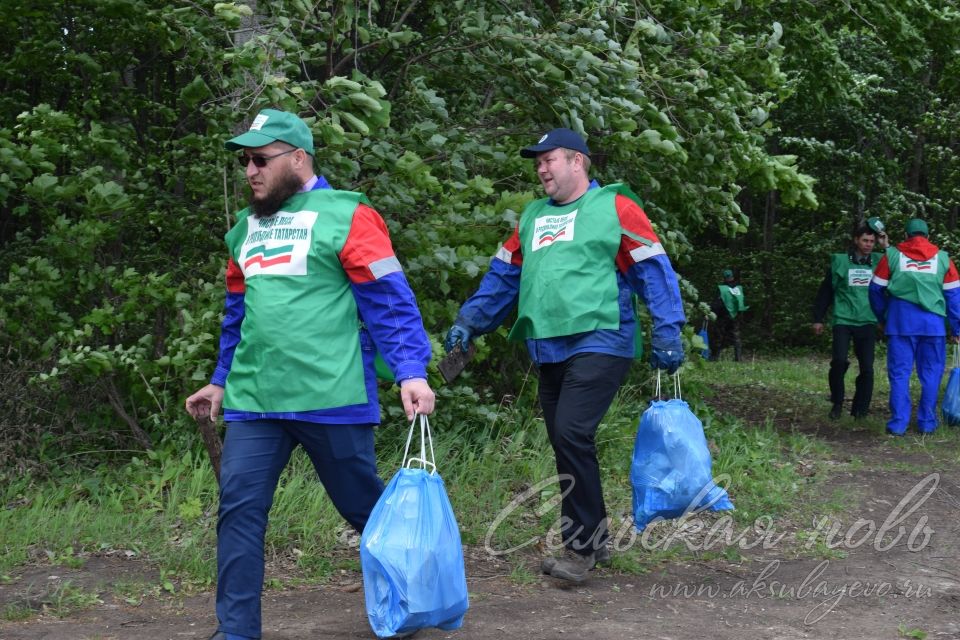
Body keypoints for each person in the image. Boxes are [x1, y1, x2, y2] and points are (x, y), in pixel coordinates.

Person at [184, 109, 435, 640]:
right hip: (256, 400)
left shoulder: (348, 215)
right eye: (244, 160)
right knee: (240, 511)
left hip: (332, 395)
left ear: (298, 159)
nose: (249, 170)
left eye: (260, 159)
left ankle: (417, 599)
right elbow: (238, 314)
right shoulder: (243, 231)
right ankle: (235, 632)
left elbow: (389, 301)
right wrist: (220, 378)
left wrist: (411, 371)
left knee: (364, 507)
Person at [443, 128, 686, 583]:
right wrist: (469, 322)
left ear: (578, 161)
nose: (540, 168)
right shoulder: (532, 216)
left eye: (548, 159)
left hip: (601, 338)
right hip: (549, 344)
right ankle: (594, 539)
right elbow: (502, 278)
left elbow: (653, 268)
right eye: (537, 161)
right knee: (563, 437)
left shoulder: (615, 207)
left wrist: (668, 330)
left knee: (572, 431)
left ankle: (580, 552)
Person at [869, 218, 960, 435]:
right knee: (931, 373)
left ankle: (898, 423)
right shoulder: (944, 259)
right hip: (933, 326)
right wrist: (957, 328)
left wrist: (883, 318)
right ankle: (927, 422)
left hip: (900, 323)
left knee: (900, 374)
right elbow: (954, 297)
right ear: (928, 236)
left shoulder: (891, 256)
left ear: (907, 236)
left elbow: (874, 290)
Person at [812, 223, 882, 419]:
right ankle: (837, 402)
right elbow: (826, 291)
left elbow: (897, 268)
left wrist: (886, 245)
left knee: (867, 368)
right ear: (856, 240)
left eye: (872, 241)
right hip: (843, 320)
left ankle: (860, 410)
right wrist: (818, 318)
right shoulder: (840, 262)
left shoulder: (880, 261)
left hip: (867, 321)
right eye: (865, 240)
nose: (869, 245)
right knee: (839, 362)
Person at [708, 269, 747, 361]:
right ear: (732, 277)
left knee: (718, 336)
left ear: (724, 278)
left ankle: (714, 357)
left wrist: (711, 312)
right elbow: (741, 303)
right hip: (735, 317)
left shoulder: (722, 289)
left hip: (723, 316)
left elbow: (717, 304)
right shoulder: (738, 289)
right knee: (736, 337)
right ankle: (738, 358)